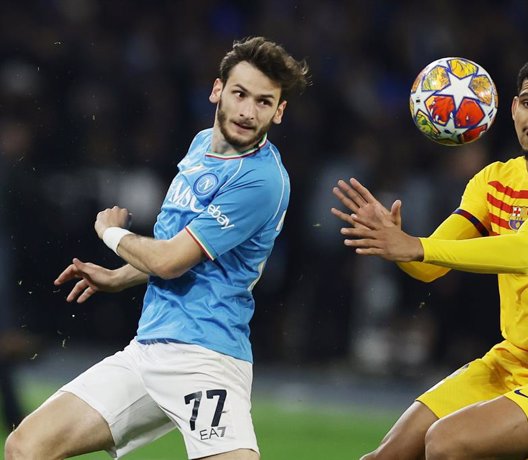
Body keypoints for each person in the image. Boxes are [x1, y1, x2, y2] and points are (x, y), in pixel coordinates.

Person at [4, 36, 309, 460]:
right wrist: (119, 275)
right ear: (217, 90)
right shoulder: (201, 145)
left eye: (263, 101)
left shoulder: (262, 181)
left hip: (206, 357)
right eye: (240, 94)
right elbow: (178, 251)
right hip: (148, 350)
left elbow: (168, 262)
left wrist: (112, 234)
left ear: (279, 111)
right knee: (25, 445)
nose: (246, 111)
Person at [332, 52, 528, 459]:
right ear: (511, 107)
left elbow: (525, 250)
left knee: (447, 442)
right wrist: (394, 242)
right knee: (386, 456)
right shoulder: (494, 180)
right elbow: (429, 268)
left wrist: (415, 245)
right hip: (512, 361)